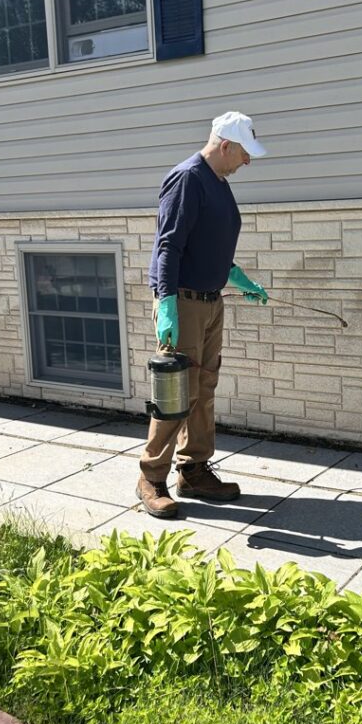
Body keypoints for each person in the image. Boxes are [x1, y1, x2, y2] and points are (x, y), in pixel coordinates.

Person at [136, 112, 269, 519]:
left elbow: (209, 244)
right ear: (225, 145)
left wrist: (235, 275)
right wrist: (167, 303)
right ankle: (151, 477)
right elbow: (168, 246)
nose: (248, 161)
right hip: (185, 303)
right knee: (176, 394)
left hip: (211, 301)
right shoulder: (188, 178)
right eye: (245, 153)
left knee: (204, 389)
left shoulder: (219, 184)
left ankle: (192, 470)